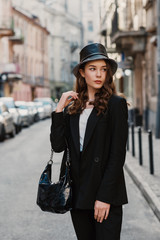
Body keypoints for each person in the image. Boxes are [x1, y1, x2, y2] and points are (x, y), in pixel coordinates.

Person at [50, 43, 128, 240]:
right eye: (93, 69)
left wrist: (104, 197)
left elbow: (117, 155)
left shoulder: (116, 105)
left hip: (105, 195)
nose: (99, 74)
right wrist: (59, 110)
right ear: (82, 73)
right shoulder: (72, 108)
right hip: (79, 194)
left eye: (103, 69)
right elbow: (58, 146)